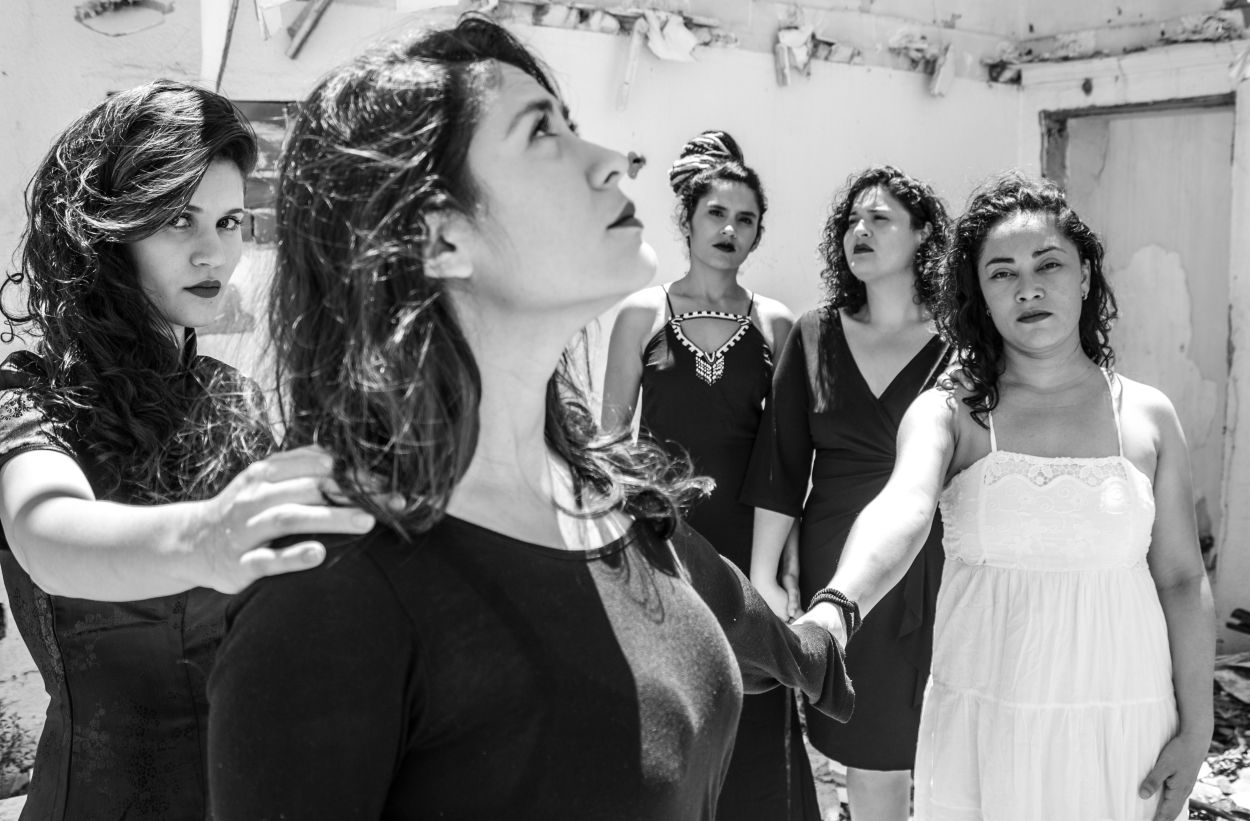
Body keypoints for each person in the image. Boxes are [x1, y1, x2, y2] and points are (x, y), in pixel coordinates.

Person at [205, 16, 855, 820]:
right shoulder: (331, 594)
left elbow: (787, 646)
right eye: (544, 134)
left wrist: (839, 609)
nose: (612, 160)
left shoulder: (627, 514)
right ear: (441, 238)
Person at [0, 80, 377, 820]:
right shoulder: (29, 396)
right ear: (109, 232)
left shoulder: (234, 396)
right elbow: (46, 533)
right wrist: (207, 539)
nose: (214, 253)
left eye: (230, 221)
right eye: (180, 219)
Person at [797, 174, 1214, 821]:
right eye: (1002, 272)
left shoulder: (1148, 415)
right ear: (980, 295)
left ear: (1084, 276)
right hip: (988, 726)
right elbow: (903, 508)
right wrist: (835, 609)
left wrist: (1198, 727)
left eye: (1048, 263)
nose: (1028, 287)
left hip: (1126, 728)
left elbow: (1183, 579)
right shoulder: (949, 412)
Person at [600, 130, 814, 821]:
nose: (729, 229)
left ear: (757, 234)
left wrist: (783, 568)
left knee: (754, 699)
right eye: (716, 213)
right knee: (668, 701)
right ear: (687, 221)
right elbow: (610, 445)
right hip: (661, 543)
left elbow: (788, 456)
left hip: (749, 548)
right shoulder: (642, 314)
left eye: (745, 219)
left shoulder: (775, 323)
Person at [742, 166, 951, 821]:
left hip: (948, 565)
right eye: (851, 221)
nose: (859, 230)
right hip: (844, 572)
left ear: (923, 235)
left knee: (956, 747)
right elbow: (779, 465)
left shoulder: (962, 342)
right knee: (872, 757)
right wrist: (764, 579)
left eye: (880, 218)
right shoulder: (814, 333)